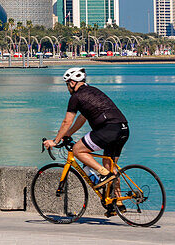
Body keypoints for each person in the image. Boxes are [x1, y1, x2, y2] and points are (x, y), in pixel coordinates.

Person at [44, 67, 130, 196]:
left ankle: (104, 174)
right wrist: (68, 134)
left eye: (67, 84)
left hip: (108, 129)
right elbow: (82, 118)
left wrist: (55, 141)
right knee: (110, 166)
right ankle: (117, 202)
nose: (68, 88)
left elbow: (67, 122)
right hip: (123, 128)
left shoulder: (76, 97)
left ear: (72, 83)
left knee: (77, 150)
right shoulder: (94, 91)